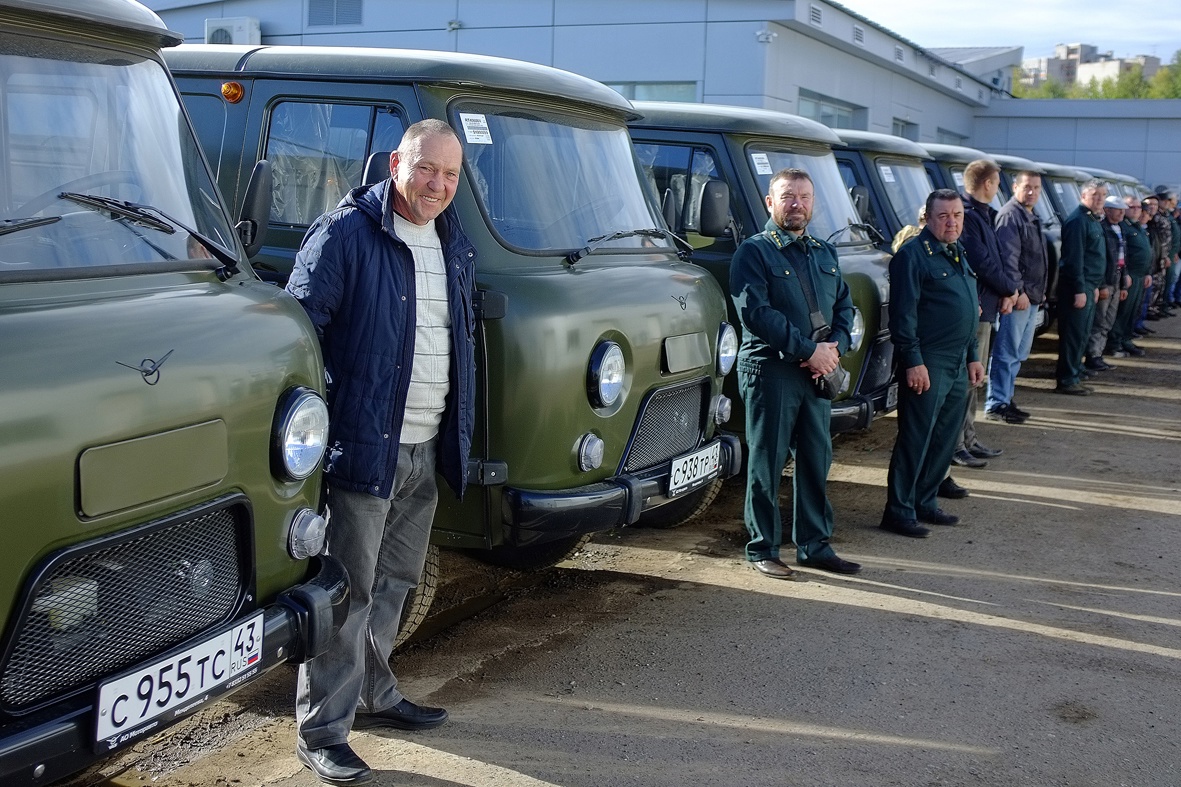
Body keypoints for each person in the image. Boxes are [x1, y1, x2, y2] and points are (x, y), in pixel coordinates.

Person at [285, 119, 477, 786]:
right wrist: (333, 425)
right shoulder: (344, 232)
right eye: (427, 169)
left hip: (426, 443)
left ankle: (374, 691)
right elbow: (299, 335)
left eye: (450, 175)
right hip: (365, 448)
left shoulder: (451, 240)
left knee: (395, 581)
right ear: (397, 162)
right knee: (347, 589)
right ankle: (322, 731)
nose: (437, 185)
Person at [731, 167, 861, 578]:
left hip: (816, 372)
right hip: (772, 371)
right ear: (770, 203)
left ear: (813, 203)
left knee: (816, 458)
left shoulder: (823, 251)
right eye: (787, 196)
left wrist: (833, 348)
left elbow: (845, 306)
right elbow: (756, 314)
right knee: (766, 462)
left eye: (804, 197)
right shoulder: (753, 252)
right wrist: (809, 350)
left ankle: (814, 544)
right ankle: (763, 548)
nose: (797, 204)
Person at [881, 189, 985, 538]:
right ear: (927, 217)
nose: (951, 222)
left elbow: (971, 307)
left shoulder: (957, 252)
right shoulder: (913, 255)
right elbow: (903, 315)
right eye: (943, 216)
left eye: (957, 215)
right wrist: (913, 361)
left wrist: (973, 356)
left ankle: (925, 501)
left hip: (958, 361)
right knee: (917, 436)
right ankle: (899, 511)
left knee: (944, 437)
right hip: (929, 360)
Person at [952, 160, 1012, 467]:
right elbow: (981, 262)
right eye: (997, 181)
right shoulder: (970, 216)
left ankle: (969, 438)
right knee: (966, 379)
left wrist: (1005, 289)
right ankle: (956, 444)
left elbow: (995, 258)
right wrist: (1009, 288)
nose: (999, 187)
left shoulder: (982, 214)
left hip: (986, 306)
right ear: (987, 184)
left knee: (974, 380)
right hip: (975, 309)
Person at [985, 169, 1047, 424]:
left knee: (1019, 353)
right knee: (1007, 352)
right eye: (1027, 187)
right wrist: (1017, 291)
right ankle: (996, 403)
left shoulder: (1031, 215)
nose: (1032, 192)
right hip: (1019, 297)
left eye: (1036, 188)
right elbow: (1008, 259)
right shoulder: (1010, 215)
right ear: (1014, 188)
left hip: (1032, 297)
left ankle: (1006, 398)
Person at [1055, 179, 1108, 395]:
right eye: (1095, 194)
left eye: (1103, 195)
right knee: (1073, 335)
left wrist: (1094, 286)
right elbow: (1074, 259)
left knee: (1082, 333)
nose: (1099, 199)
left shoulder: (1092, 220)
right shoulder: (1078, 221)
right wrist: (1079, 288)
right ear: (1083, 195)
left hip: (1088, 285)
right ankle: (1067, 379)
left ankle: (1075, 371)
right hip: (1077, 287)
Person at [1085, 196, 1129, 371]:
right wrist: (1101, 284)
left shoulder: (1120, 230)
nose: (1121, 213)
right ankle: (1092, 355)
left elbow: (1123, 258)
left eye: (1122, 210)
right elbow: (1100, 259)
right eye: (1117, 209)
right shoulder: (1102, 229)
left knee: (1108, 320)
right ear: (1107, 210)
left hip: (1117, 280)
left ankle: (1098, 353)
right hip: (1107, 281)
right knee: (1099, 320)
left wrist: (1124, 284)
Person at [1107, 195, 1152, 358]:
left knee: (1133, 310)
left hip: (1140, 276)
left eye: (1138, 207)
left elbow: (1146, 251)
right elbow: (1122, 254)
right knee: (1123, 311)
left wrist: (1147, 272)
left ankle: (1126, 338)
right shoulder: (1123, 227)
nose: (1136, 210)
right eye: (1131, 207)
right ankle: (1115, 342)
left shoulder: (1138, 227)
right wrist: (1126, 275)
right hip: (1129, 275)